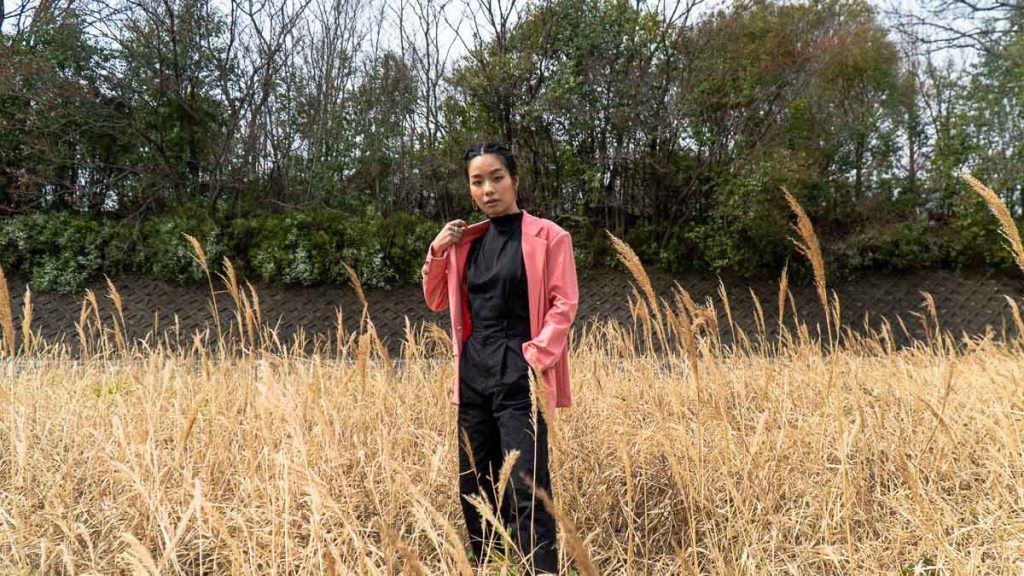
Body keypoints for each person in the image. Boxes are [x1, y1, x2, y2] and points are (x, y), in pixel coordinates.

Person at [421, 142, 579, 574]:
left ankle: (540, 570)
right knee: (475, 487)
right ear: (470, 190)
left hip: (520, 369)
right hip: (473, 371)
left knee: (526, 485)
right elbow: (436, 299)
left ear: (514, 181)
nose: (488, 189)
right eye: (478, 182)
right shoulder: (465, 243)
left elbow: (563, 304)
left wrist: (535, 357)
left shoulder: (549, 237)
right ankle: (491, 566)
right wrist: (437, 250)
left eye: (496, 178)